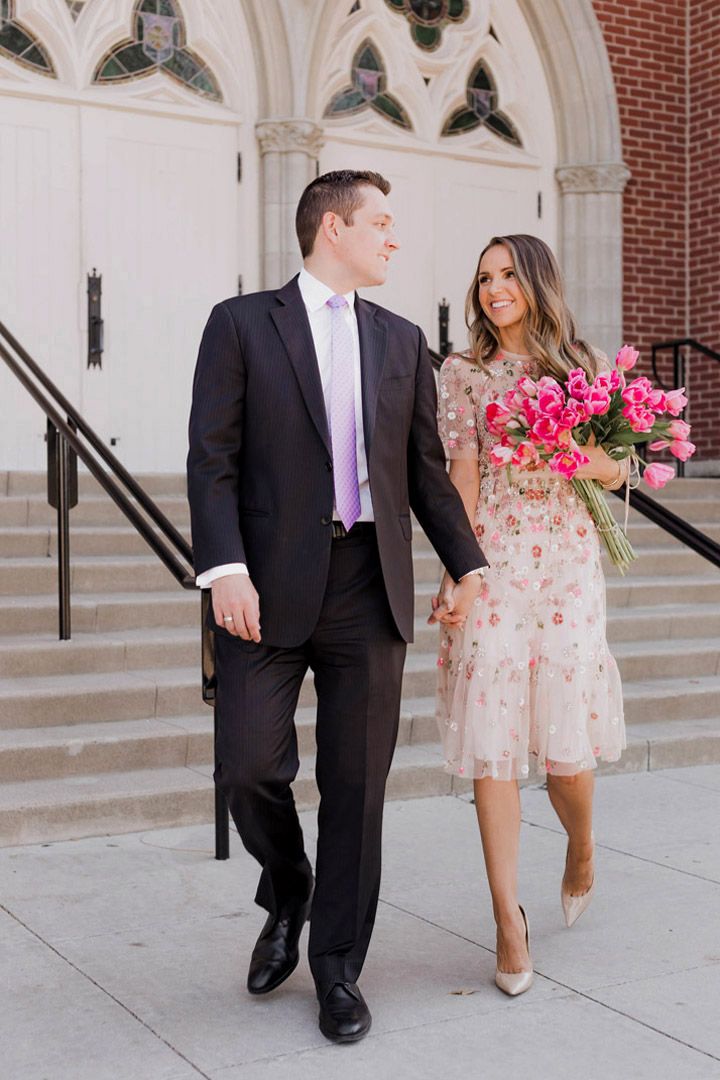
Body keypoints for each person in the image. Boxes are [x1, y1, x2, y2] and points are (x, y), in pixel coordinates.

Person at [187, 170, 487, 1042]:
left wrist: (467, 565)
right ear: (331, 226)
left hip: (369, 583)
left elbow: (424, 476)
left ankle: (338, 968)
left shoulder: (402, 343)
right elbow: (212, 457)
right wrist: (224, 568)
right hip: (265, 583)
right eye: (381, 222)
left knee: (357, 786)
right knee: (246, 765)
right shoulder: (242, 323)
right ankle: (288, 889)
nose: (394, 239)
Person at [433, 234, 626, 997]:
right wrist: (460, 573)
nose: (493, 288)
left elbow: (622, 473)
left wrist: (579, 448)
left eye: (508, 274)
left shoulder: (583, 367)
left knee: (566, 757)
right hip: (497, 562)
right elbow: (462, 475)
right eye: (483, 277)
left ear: (537, 280)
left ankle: (581, 845)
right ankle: (507, 925)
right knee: (494, 746)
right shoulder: (463, 373)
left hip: (569, 565)